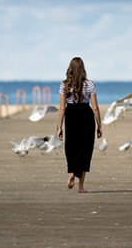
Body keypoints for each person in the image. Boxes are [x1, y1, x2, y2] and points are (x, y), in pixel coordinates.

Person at [56, 57, 102, 193]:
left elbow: (62, 108)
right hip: (86, 116)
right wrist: (99, 125)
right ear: (83, 69)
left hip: (71, 116)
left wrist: (59, 127)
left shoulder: (64, 85)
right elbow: (95, 107)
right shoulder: (90, 84)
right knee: (86, 150)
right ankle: (81, 187)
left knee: (72, 147)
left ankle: (72, 172)